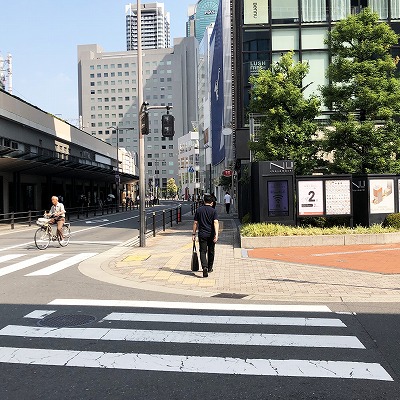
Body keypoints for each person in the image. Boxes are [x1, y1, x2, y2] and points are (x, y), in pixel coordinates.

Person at [192, 193, 219, 278]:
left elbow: (195, 223)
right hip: (211, 234)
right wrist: (217, 234)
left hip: (202, 234)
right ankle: (210, 268)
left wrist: (193, 234)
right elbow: (216, 222)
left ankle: (204, 267)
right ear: (211, 202)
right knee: (211, 251)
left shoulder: (199, 210)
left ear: (204, 201)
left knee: (202, 251)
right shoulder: (213, 211)